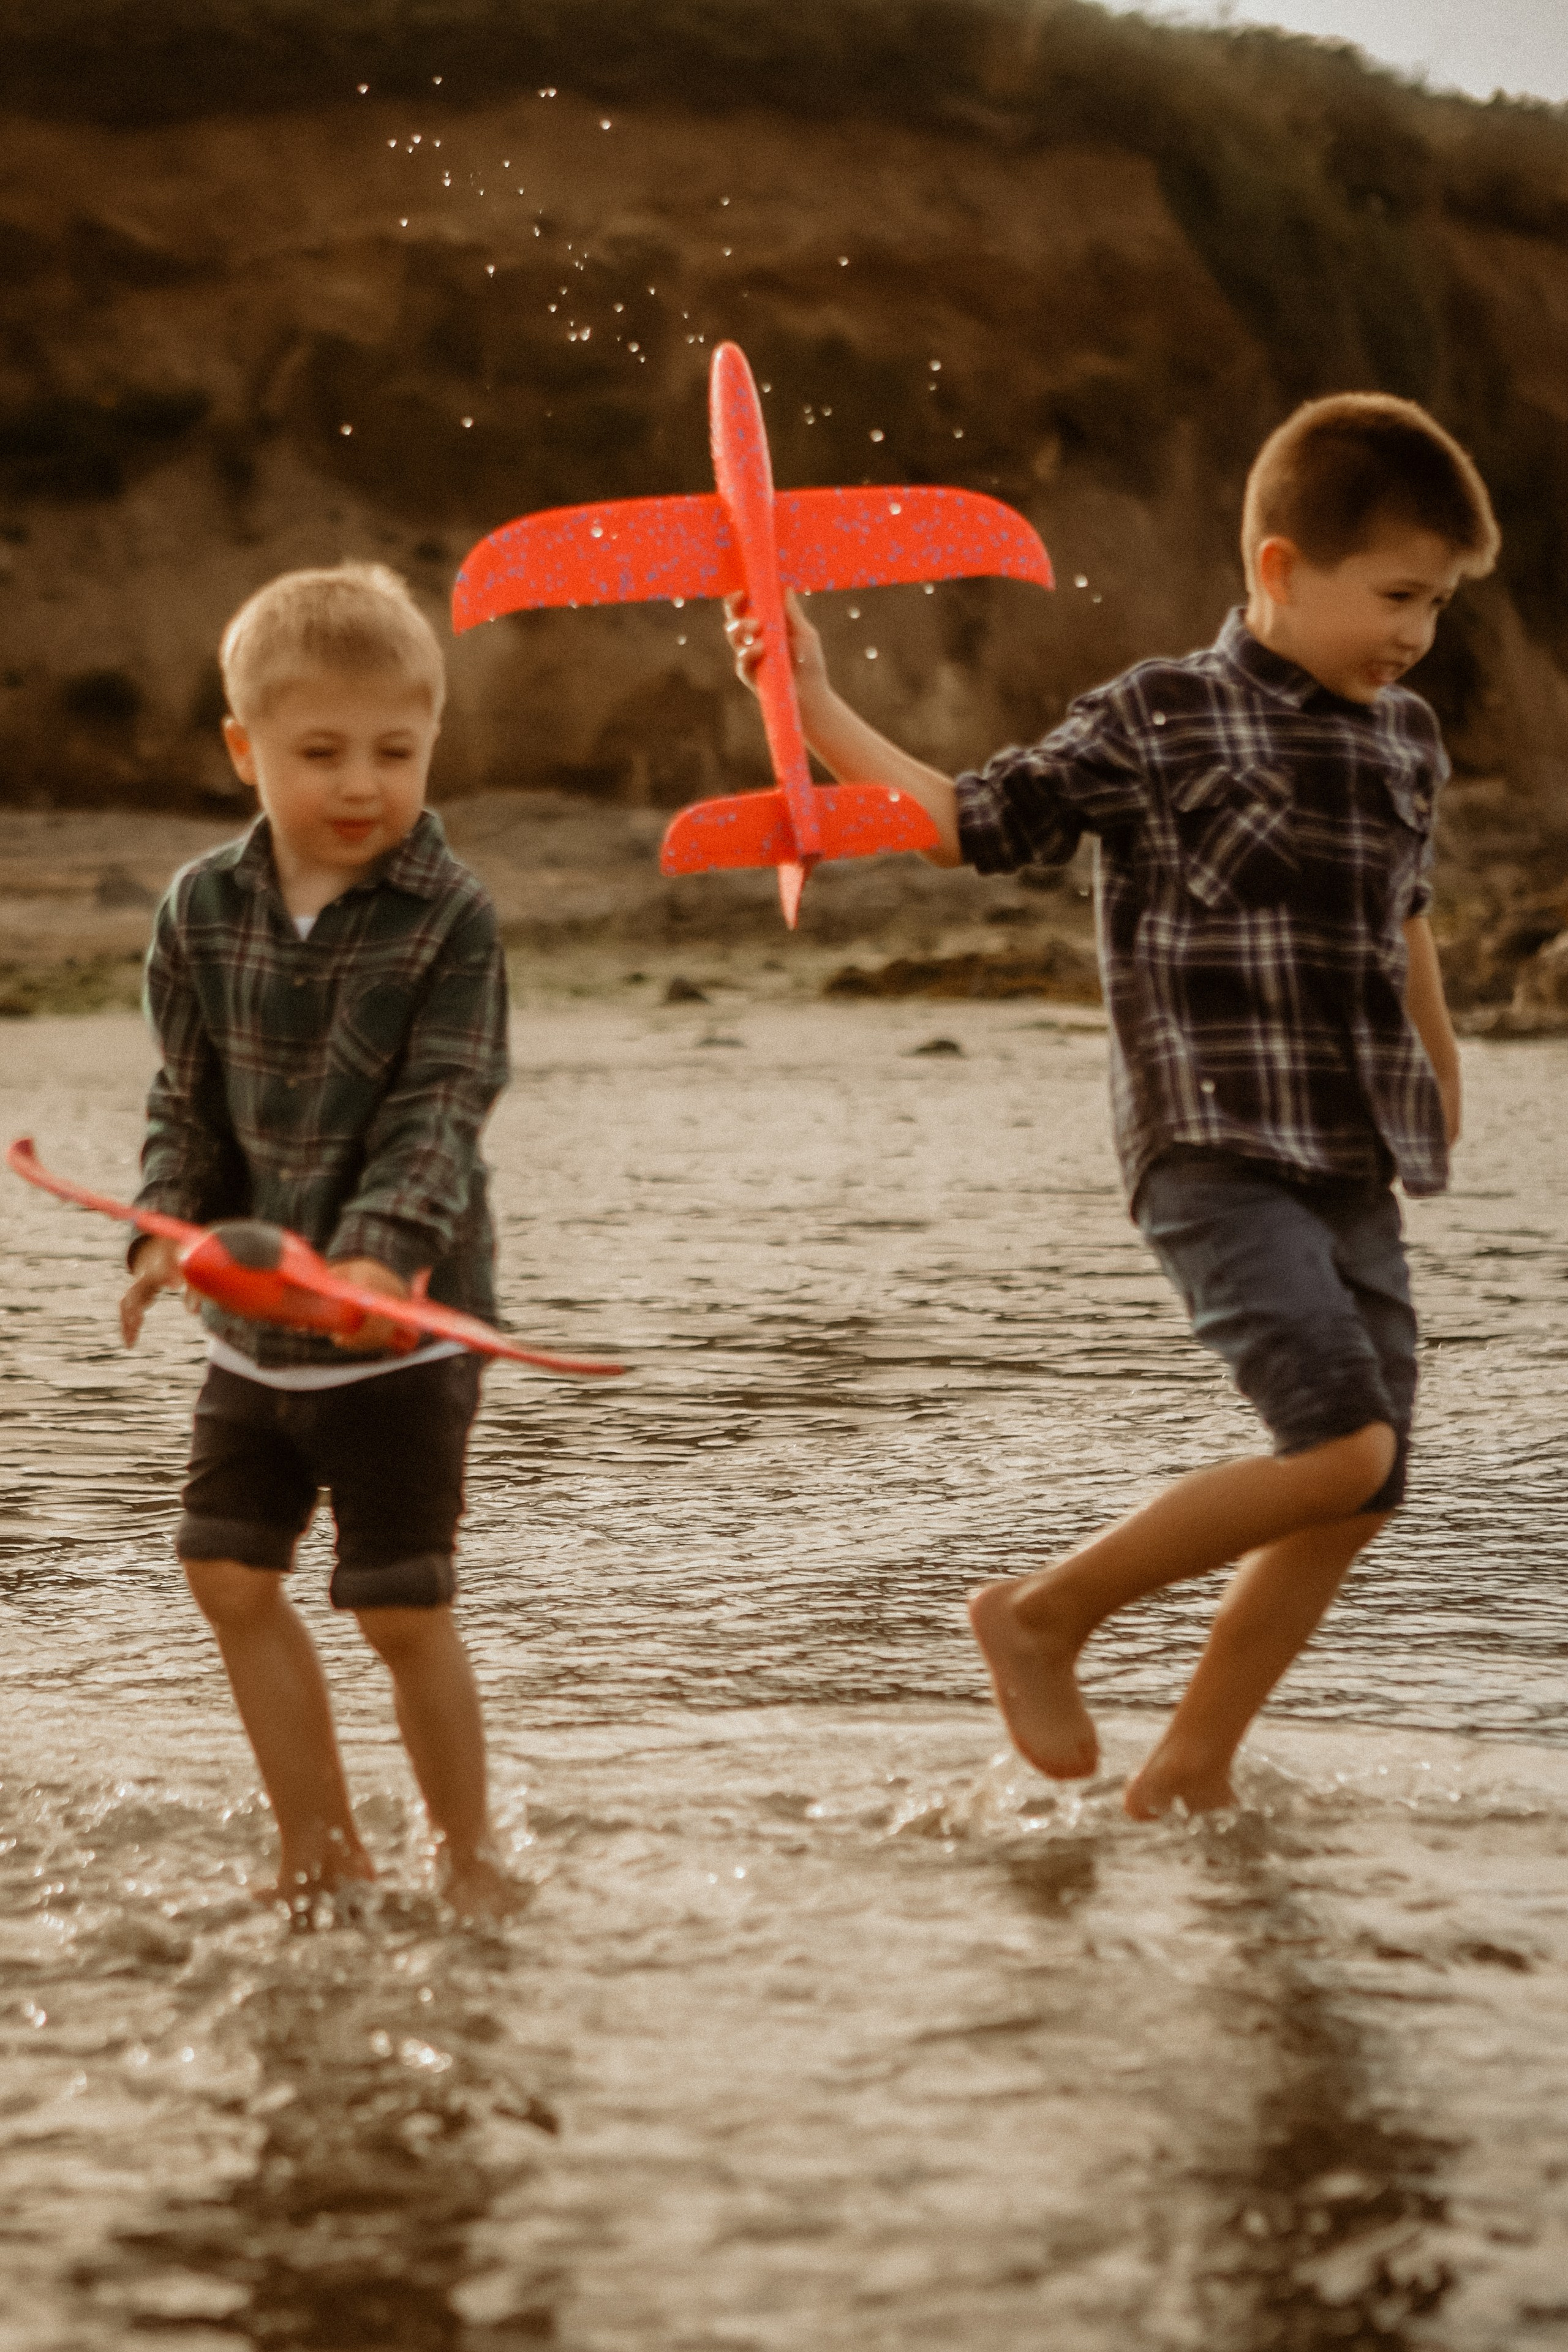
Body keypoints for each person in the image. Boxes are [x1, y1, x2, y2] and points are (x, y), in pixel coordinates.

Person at [724, 393, 1498, 1817]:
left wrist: (1442, 1070)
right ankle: (1041, 1613)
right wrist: (815, 704)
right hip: (1208, 1144)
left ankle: (1186, 1771)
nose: (1413, 634)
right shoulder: (1161, 715)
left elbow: (1405, 918)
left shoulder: (1401, 740)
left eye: (1436, 606)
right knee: (1340, 1443)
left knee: (1361, 1487)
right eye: (1395, 596)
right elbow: (967, 821)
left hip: (1350, 1150)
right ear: (1276, 568)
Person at [121, 562, 520, 1910]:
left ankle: (470, 1867)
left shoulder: (451, 918)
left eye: (395, 753)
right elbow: (186, 1104)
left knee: (399, 1604)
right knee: (225, 1571)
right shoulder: (197, 913)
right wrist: (159, 1239)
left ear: (431, 741)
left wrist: (374, 1256)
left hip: (402, 1326)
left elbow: (440, 1106)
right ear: (245, 750)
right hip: (255, 1329)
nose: (362, 783)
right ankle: (319, 1851)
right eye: (320, 754)